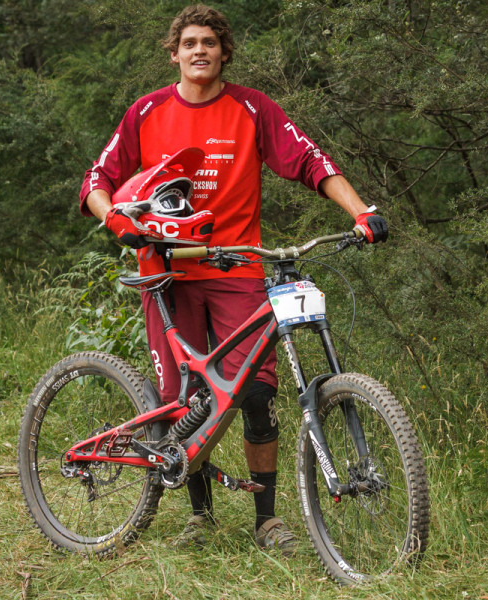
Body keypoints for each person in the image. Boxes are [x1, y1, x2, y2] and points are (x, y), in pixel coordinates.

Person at [78, 4, 388, 554]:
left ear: (224, 53)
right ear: (174, 54)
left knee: (257, 395)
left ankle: (266, 520)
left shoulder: (251, 108)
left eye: (210, 43)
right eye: (190, 43)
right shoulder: (145, 113)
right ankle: (200, 513)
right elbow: (97, 182)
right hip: (166, 272)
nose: (200, 51)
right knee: (187, 399)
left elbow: (313, 162)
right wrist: (116, 220)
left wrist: (361, 212)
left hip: (237, 269)